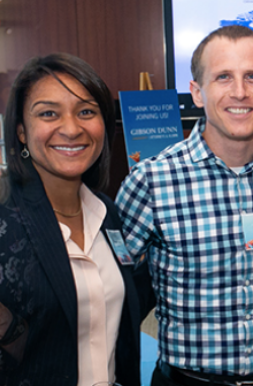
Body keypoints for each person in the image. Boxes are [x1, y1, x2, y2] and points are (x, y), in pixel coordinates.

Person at [115, 25, 253, 386]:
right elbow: (110, 286)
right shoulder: (152, 181)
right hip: (190, 381)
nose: (240, 92)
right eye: (223, 77)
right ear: (197, 93)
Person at [0, 53, 145, 386]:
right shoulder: (5, 218)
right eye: (49, 113)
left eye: (86, 111)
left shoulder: (107, 214)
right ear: (21, 131)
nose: (71, 128)